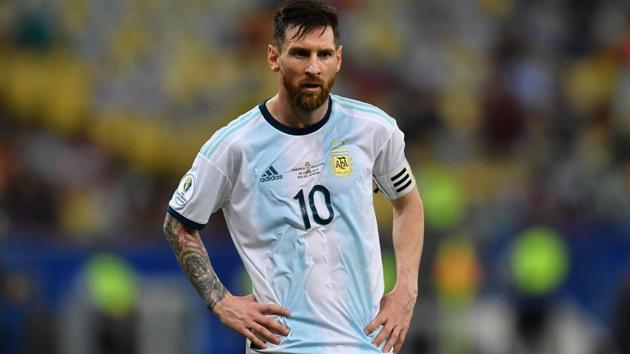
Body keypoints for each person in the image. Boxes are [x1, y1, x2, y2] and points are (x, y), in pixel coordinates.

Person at [162, 1, 424, 353]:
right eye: (300, 54)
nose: (314, 67)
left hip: (367, 343)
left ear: (339, 59)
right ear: (274, 57)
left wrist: (406, 288)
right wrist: (221, 302)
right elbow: (177, 224)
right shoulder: (233, 147)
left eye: (324, 54)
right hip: (284, 345)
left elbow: (407, 202)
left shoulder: (373, 129)